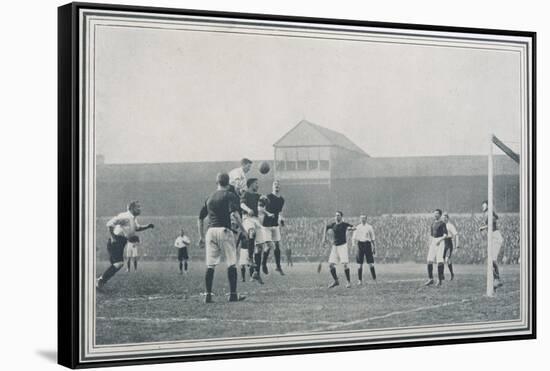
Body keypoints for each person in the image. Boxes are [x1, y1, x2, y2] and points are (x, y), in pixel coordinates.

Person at [198, 173, 246, 303]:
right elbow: (235, 215)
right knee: (231, 263)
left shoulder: (209, 197)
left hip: (210, 231)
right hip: (224, 230)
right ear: (228, 182)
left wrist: (201, 236)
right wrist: (243, 230)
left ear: (217, 182)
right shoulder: (230, 195)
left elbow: (200, 217)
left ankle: (208, 295)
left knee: (210, 265)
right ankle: (233, 294)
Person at [97, 201, 154, 289]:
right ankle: (100, 281)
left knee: (117, 265)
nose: (140, 209)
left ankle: (101, 281)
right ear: (131, 208)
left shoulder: (133, 218)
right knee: (118, 264)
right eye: (137, 207)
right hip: (116, 241)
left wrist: (148, 226)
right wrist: (113, 237)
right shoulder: (125, 216)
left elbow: (137, 228)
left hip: (121, 242)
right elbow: (109, 224)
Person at [240, 178, 269, 284]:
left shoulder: (257, 196)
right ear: (251, 184)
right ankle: (249, 258)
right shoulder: (245, 194)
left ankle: (256, 272)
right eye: (256, 184)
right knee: (251, 232)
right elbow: (241, 205)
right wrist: (248, 209)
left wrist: (265, 200)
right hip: (247, 217)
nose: (258, 185)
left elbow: (262, 205)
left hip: (256, 219)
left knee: (260, 247)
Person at [324, 211, 355, 288]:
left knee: (345, 264)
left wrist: (351, 228)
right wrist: (324, 238)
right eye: (336, 215)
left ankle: (348, 282)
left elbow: (353, 227)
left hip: (343, 246)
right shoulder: (333, 225)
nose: (336, 217)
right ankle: (336, 281)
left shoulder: (344, 224)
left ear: (341, 216)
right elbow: (326, 227)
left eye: (338, 215)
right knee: (331, 265)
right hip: (335, 246)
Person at [261, 180, 286, 275]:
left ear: (280, 187)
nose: (277, 186)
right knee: (268, 246)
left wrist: (281, 219)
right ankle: (263, 264)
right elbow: (261, 208)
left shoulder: (281, 200)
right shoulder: (268, 197)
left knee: (277, 246)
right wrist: (268, 214)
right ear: (272, 186)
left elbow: (279, 212)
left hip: (275, 224)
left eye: (278, 185)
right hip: (267, 224)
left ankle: (278, 267)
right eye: (275, 184)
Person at [479, 200, 504, 291]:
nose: (482, 206)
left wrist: (483, 227)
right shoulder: (487, 214)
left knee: (492, 259)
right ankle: (496, 280)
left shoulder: (489, 213)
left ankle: (497, 279)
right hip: (493, 236)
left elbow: (493, 221)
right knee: (490, 260)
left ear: (488, 205)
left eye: (484, 204)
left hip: (495, 236)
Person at [424, 209, 448, 287]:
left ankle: (439, 280)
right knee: (429, 260)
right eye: (434, 213)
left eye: (437, 213)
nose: (435, 215)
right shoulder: (433, 223)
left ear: (440, 215)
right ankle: (431, 279)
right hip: (434, 241)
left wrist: (439, 240)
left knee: (439, 261)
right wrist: (430, 242)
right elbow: (431, 235)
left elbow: (445, 235)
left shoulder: (442, 223)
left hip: (440, 241)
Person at [353, 214, 377, 285]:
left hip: (367, 244)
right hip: (360, 245)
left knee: (370, 263)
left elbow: (372, 238)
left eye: (364, 218)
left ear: (366, 219)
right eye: (361, 218)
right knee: (359, 264)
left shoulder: (369, 227)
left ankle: (374, 279)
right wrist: (354, 245)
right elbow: (354, 238)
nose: (363, 219)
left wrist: (374, 247)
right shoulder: (357, 227)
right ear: (360, 219)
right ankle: (360, 280)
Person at [442, 212, 459, 280]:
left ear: (447, 218)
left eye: (445, 217)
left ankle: (452, 274)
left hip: (449, 243)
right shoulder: (441, 225)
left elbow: (456, 234)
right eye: (443, 217)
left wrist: (457, 245)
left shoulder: (450, 226)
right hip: (443, 243)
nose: (443, 219)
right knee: (442, 260)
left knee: (447, 259)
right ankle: (442, 275)